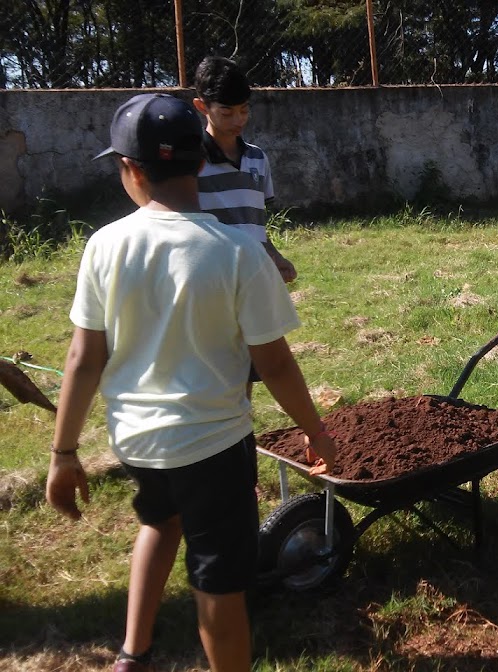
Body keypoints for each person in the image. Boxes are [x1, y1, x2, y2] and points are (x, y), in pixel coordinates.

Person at [44, 93, 337, 672]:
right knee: (219, 584)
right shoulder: (238, 253)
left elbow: (82, 358)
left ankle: (133, 652)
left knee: (159, 520)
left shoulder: (104, 246)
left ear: (129, 169)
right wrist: (315, 431)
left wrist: (63, 453)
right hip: (212, 448)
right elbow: (274, 363)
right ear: (202, 161)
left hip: (139, 443)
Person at [192, 55, 293, 400]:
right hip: (211, 280)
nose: (238, 120)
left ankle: (241, 427)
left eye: (244, 110)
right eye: (227, 112)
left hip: (250, 278)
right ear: (201, 107)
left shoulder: (256, 159)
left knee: (250, 363)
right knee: (218, 364)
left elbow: (255, 225)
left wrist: (275, 257)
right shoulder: (191, 164)